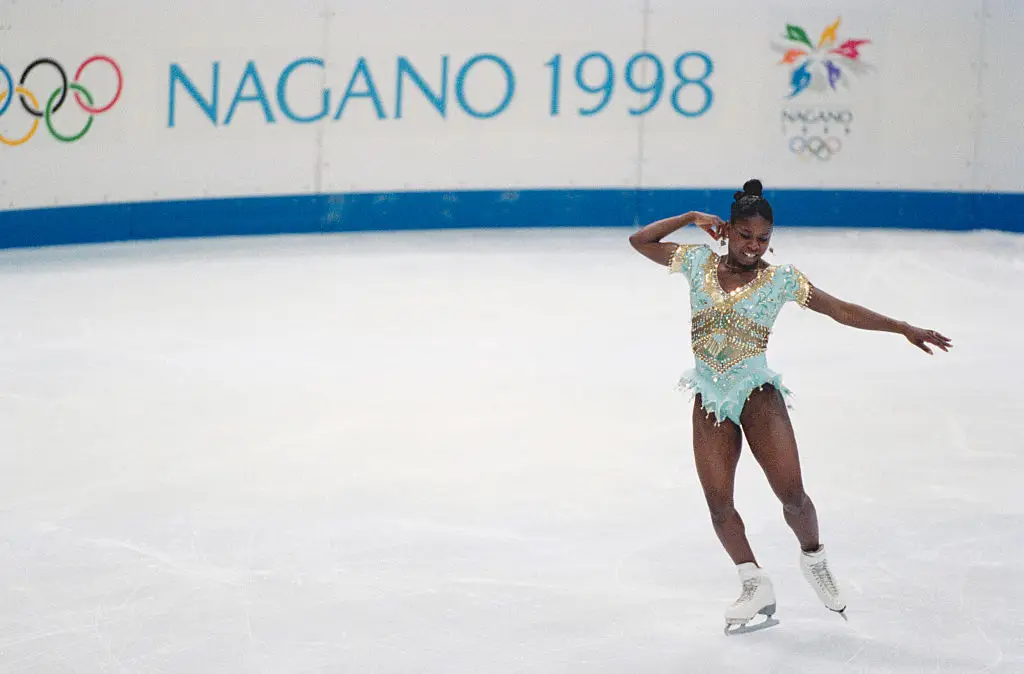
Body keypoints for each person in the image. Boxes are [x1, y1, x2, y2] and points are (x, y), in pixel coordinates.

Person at [628, 179, 952, 632]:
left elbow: (841, 311)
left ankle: (814, 559)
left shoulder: (781, 280)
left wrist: (901, 327)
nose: (753, 246)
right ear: (728, 230)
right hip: (710, 398)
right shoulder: (696, 261)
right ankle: (752, 580)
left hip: (758, 396)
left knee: (793, 498)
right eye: (745, 236)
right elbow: (639, 240)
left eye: (763, 239)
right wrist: (688, 217)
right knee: (719, 505)